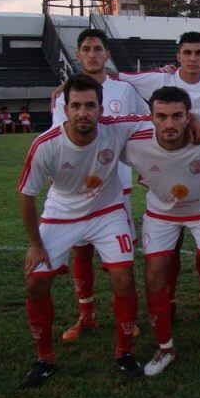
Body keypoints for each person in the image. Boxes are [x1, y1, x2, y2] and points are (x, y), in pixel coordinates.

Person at [17, 74, 149, 388]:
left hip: (107, 212)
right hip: (61, 215)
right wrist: (35, 245)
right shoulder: (45, 144)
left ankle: (124, 352)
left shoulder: (116, 129)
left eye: (90, 106)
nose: (83, 112)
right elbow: (26, 195)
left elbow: (157, 116)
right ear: (65, 108)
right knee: (36, 282)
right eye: (75, 106)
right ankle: (45, 358)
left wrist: (195, 116)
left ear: (101, 109)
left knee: (123, 277)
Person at [118, 31, 200, 317]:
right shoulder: (161, 80)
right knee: (171, 245)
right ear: (177, 56)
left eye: (198, 53)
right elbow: (117, 76)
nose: (193, 58)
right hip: (167, 169)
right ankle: (167, 300)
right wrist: (66, 84)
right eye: (187, 53)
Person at [120, 86, 200, 376]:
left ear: (188, 116)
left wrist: (198, 119)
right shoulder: (134, 142)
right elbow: (103, 124)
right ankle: (164, 348)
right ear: (151, 117)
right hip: (161, 214)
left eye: (177, 116)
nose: (169, 124)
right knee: (154, 274)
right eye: (161, 116)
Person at [52, 28, 150, 342]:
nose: (92, 54)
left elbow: (144, 128)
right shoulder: (65, 96)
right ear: (78, 55)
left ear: (106, 54)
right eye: (86, 49)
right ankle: (87, 315)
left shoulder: (124, 89)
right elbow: (57, 140)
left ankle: (126, 318)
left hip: (115, 187)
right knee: (81, 254)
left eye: (97, 48)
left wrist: (144, 167)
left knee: (118, 259)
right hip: (77, 189)